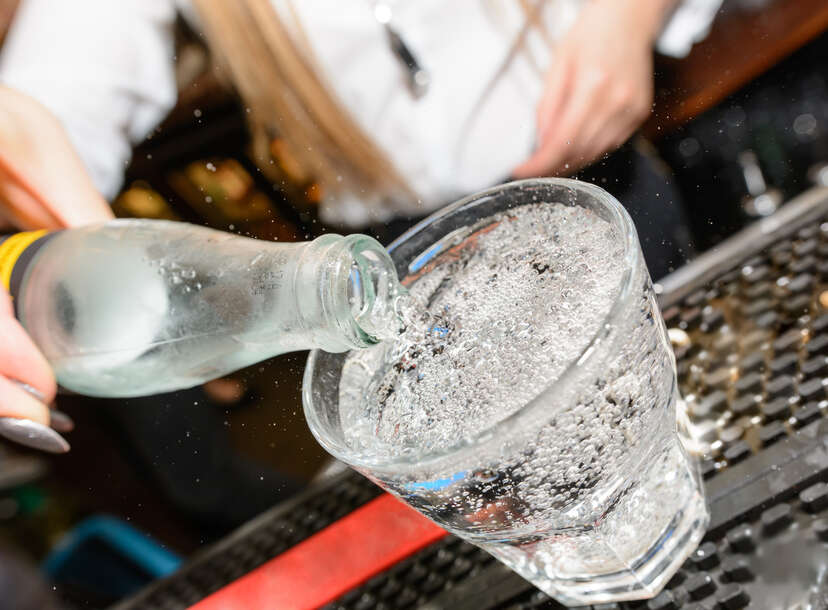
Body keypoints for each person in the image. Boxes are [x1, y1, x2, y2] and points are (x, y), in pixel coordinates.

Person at [0, 0, 721, 442]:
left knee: (688, 415)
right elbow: (50, 99)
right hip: (401, 264)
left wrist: (631, 11)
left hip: (594, 192)